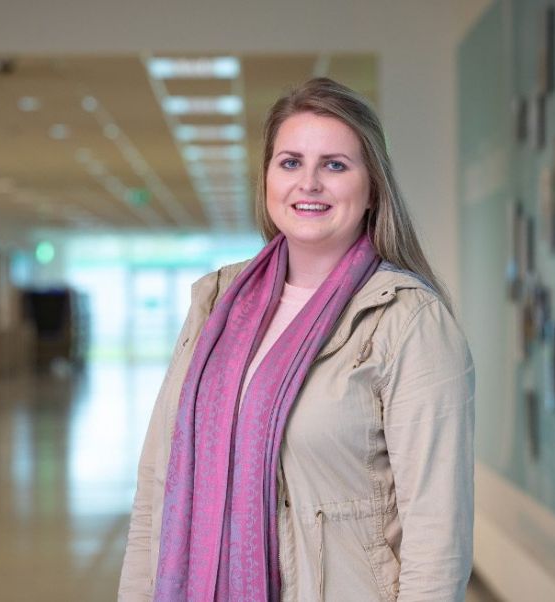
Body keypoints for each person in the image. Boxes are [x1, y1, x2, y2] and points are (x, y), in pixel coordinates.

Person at [119, 77, 474, 601]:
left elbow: (436, 538)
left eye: (335, 164)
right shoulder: (216, 303)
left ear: (372, 186)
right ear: (267, 179)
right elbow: (157, 489)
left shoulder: (407, 320)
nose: (309, 183)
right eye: (290, 162)